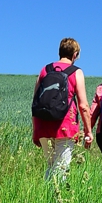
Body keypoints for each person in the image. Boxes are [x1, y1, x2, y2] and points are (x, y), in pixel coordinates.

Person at [32, 38, 93, 182]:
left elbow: (35, 103)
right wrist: (88, 131)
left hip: (43, 125)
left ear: (60, 52)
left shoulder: (45, 70)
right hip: (65, 126)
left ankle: (46, 199)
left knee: (50, 166)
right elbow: (83, 106)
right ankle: (56, 201)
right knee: (62, 168)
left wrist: (35, 130)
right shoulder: (76, 72)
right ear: (75, 54)